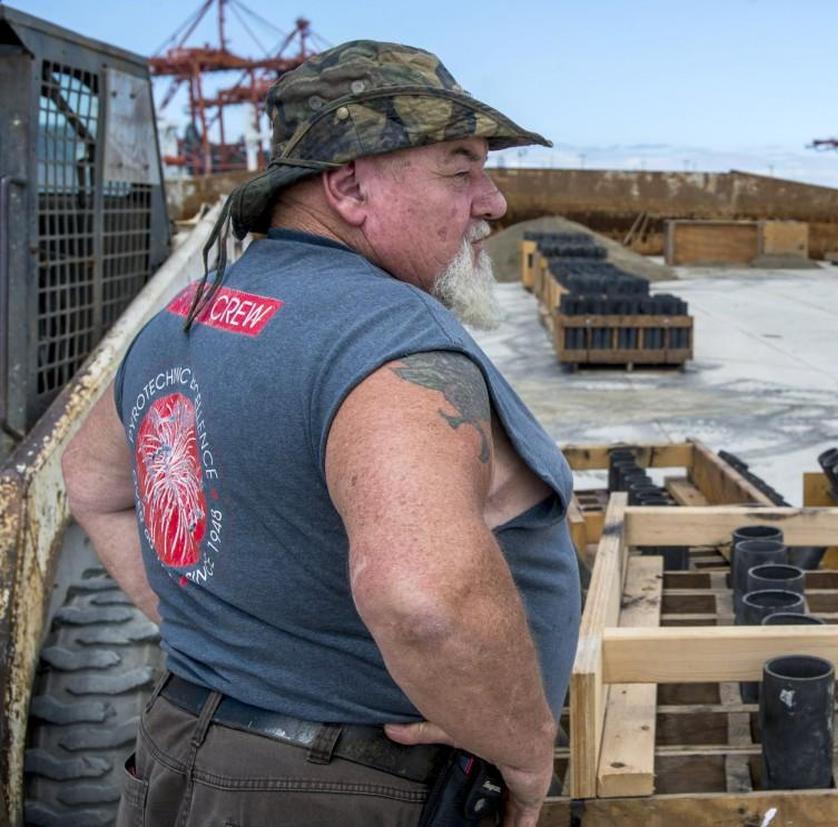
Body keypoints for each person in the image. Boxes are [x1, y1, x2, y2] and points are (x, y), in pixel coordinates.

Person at [62, 40, 580, 827]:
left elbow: (92, 484)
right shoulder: (383, 334)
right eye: (460, 168)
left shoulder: (188, 311)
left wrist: (222, 645)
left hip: (183, 752)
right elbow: (423, 603)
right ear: (348, 185)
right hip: (334, 790)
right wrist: (524, 745)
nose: (493, 201)